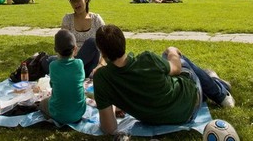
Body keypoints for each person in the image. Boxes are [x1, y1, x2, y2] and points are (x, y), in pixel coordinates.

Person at [92, 24, 234, 135]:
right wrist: (172, 51)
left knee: (167, 67)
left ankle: (213, 80)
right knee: (178, 59)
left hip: (162, 117)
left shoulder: (102, 79)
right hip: (190, 102)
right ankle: (220, 93)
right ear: (123, 42)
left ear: (101, 51)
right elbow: (176, 69)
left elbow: (109, 128)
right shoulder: (147, 60)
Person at [39, 29, 86, 124]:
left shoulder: (53, 65)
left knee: (42, 103)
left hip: (58, 115)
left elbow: (52, 85)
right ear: (75, 49)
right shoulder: (79, 64)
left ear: (55, 50)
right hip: (79, 113)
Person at [56, 0, 103, 75]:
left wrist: (101, 64)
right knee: (47, 60)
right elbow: (63, 45)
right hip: (72, 60)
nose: (76, 4)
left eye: (78, 0)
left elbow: (106, 46)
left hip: (92, 63)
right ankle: (70, 70)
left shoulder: (96, 19)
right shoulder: (67, 19)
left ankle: (67, 70)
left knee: (92, 42)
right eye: (73, 1)